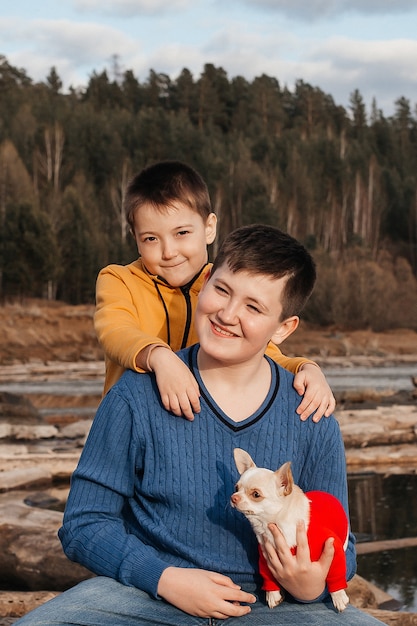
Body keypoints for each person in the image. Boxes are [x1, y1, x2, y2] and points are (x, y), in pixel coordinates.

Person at [16, 224, 384, 626]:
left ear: (283, 328)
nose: (227, 315)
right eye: (222, 290)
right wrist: (163, 578)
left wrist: (312, 584)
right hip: (145, 599)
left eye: (254, 308)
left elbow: (341, 541)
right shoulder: (134, 398)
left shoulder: (312, 416)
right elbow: (84, 525)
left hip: (275, 608)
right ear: (206, 280)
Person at [94, 160, 335, 422]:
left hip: (191, 429)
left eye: (182, 233)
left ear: (209, 228)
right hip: (129, 424)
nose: (168, 252)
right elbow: (115, 332)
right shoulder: (119, 280)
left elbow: (261, 351)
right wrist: (159, 357)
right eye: (151, 238)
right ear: (135, 237)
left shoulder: (220, 289)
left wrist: (305, 368)